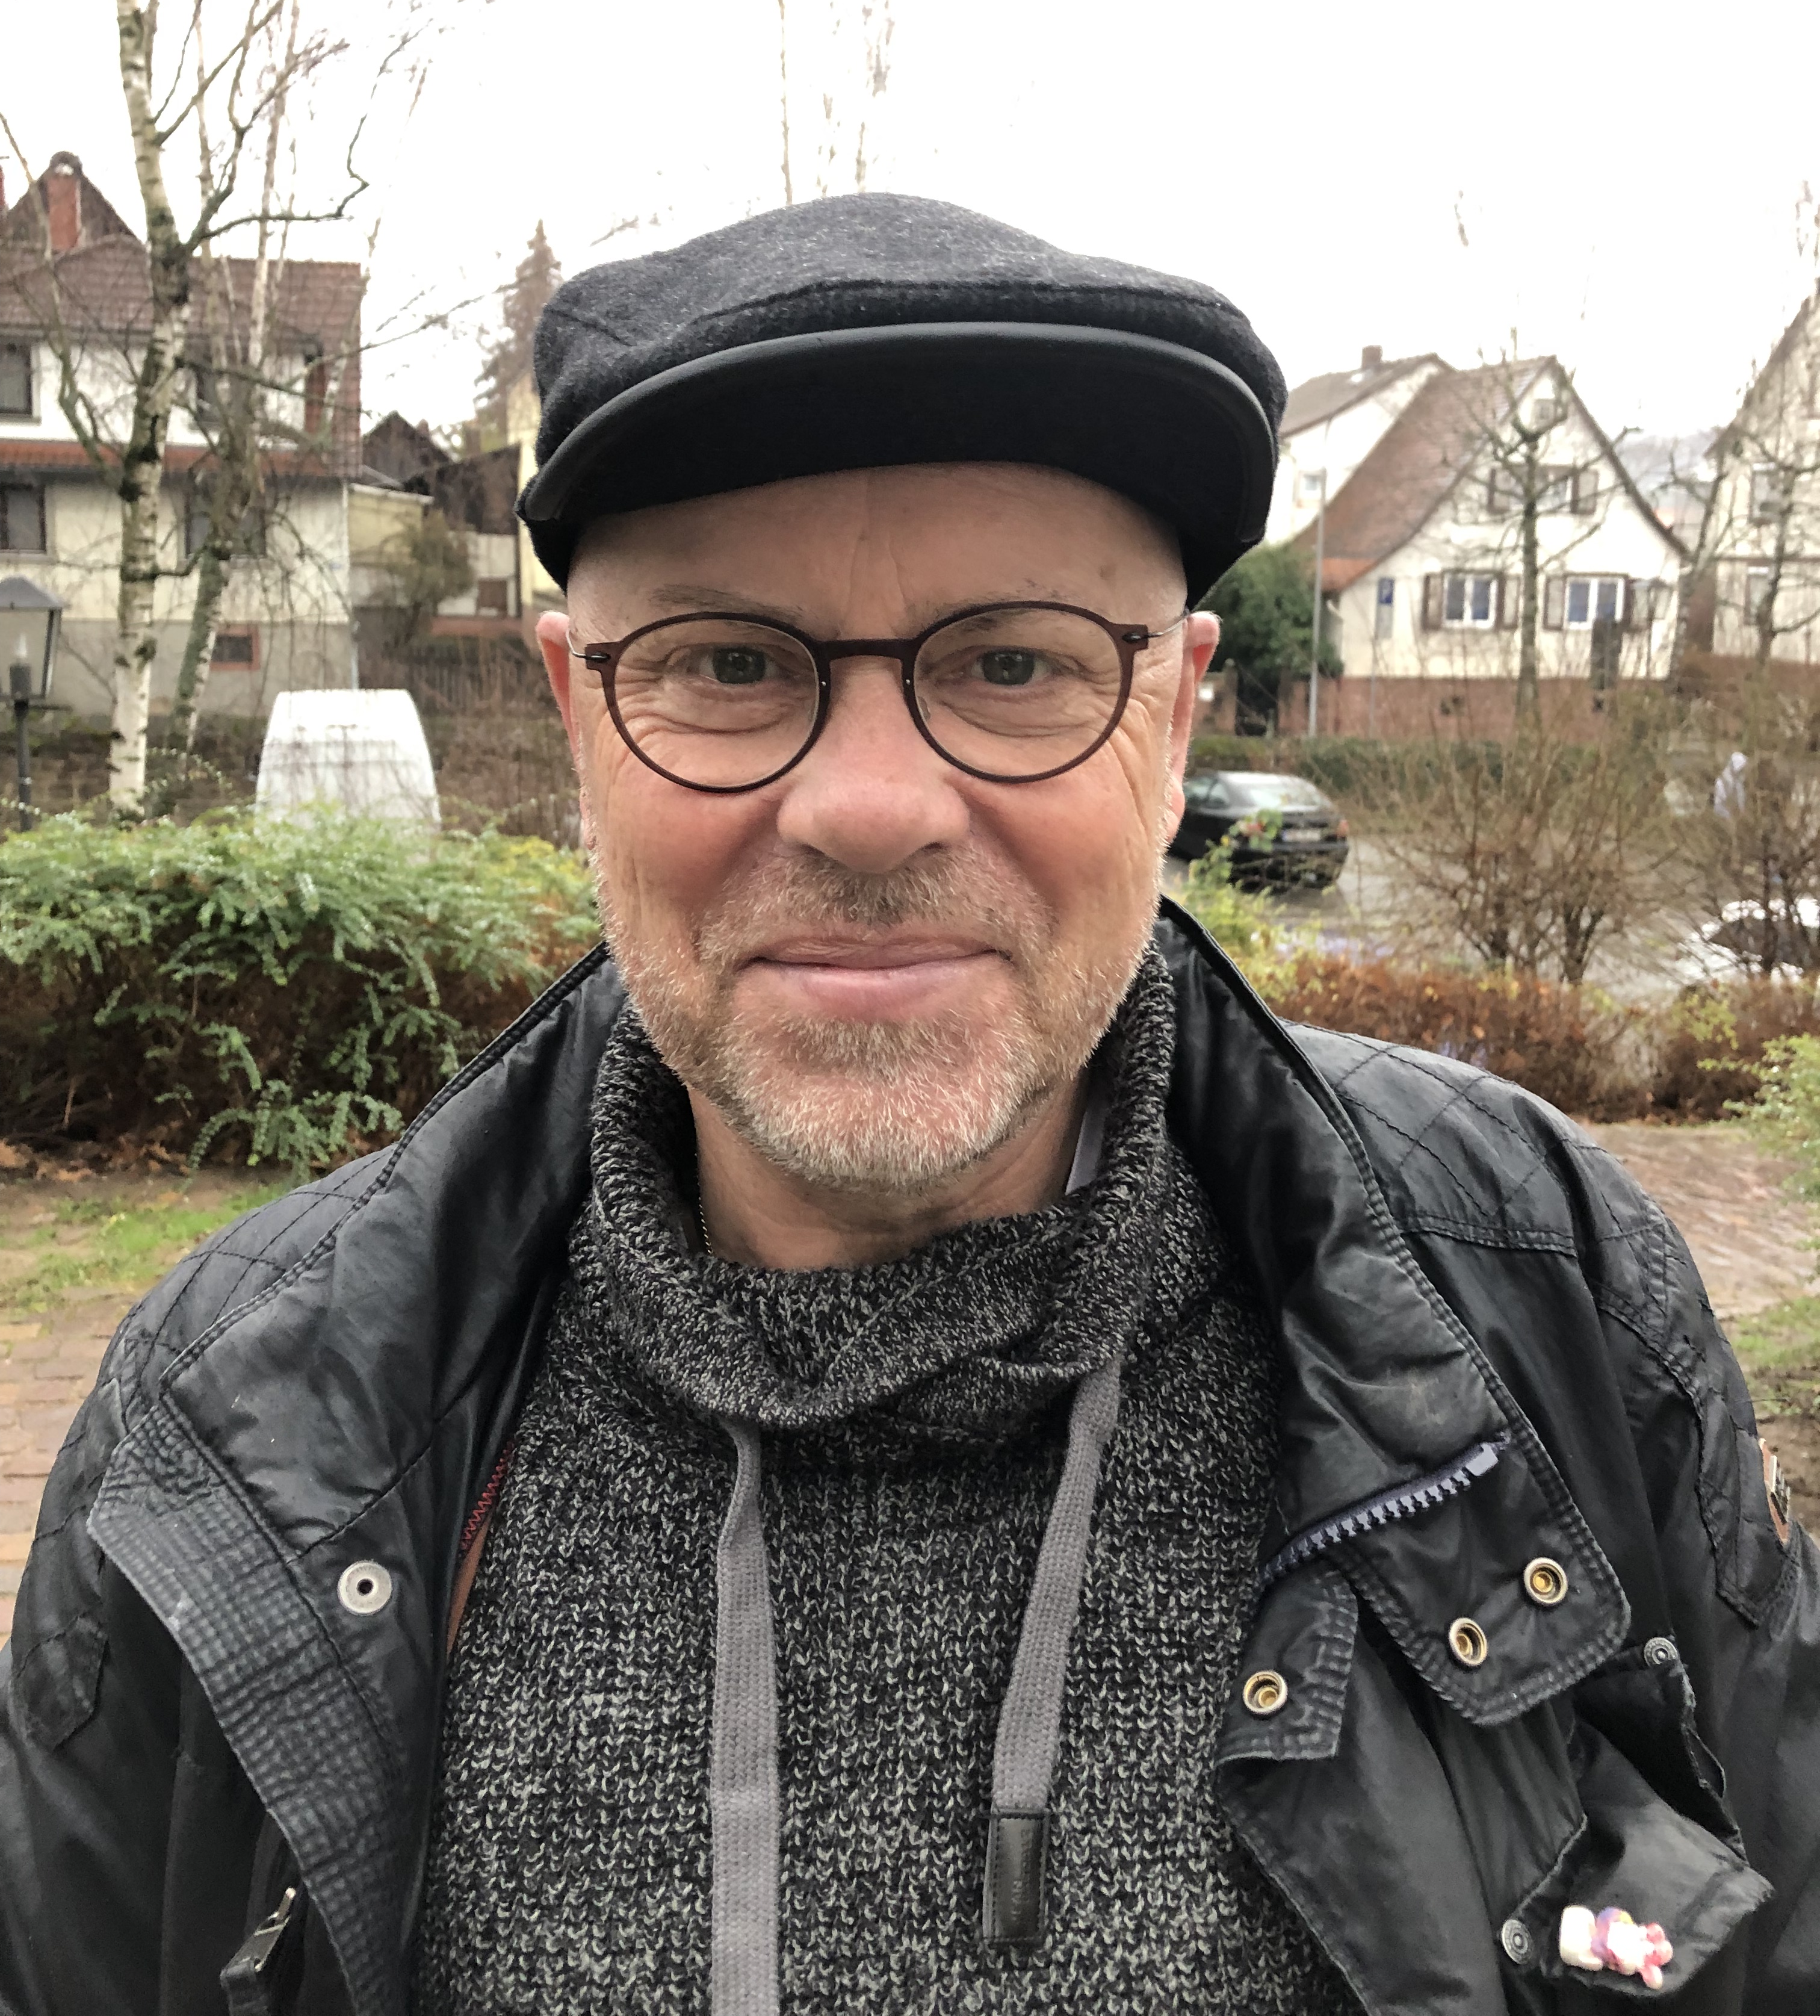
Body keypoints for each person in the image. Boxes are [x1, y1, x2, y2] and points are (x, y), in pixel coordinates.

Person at [1, 194, 1816, 2016]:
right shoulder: (227, 1433)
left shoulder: (1547, 1308)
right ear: (577, 718)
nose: (870, 810)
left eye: (1015, 663)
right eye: (727, 662)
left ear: (1177, 718)